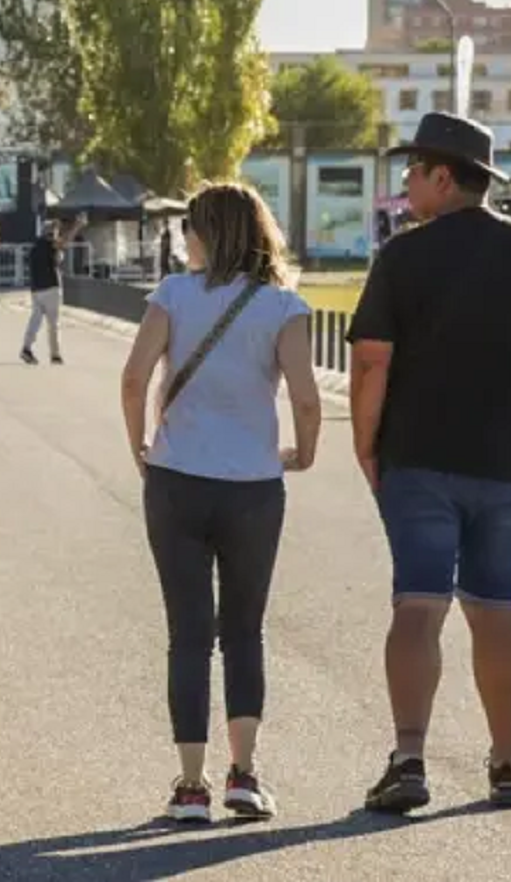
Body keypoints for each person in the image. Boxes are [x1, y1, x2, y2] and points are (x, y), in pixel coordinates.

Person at [350, 112, 511, 814]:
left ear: (441, 176)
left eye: (411, 171)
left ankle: (409, 758)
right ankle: (508, 760)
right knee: (496, 608)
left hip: (419, 457)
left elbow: (370, 360)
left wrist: (365, 443)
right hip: (507, 462)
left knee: (419, 604)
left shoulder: (405, 255)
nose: (404, 185)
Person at [120, 181, 320, 824]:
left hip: (177, 478)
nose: (184, 240)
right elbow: (306, 394)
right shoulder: (282, 305)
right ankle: (244, 775)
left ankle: (189, 785)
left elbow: (134, 376)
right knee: (243, 631)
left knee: (187, 635)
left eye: (189, 228)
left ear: (207, 233)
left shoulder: (174, 296)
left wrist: (140, 445)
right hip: (254, 488)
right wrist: (304, 451)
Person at [22, 217, 81, 366]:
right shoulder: (49, 245)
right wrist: (77, 226)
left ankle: (26, 347)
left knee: (35, 319)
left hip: (36, 288)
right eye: (55, 231)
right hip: (51, 286)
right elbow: (64, 243)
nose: (57, 233)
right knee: (53, 323)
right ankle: (55, 354)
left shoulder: (35, 247)